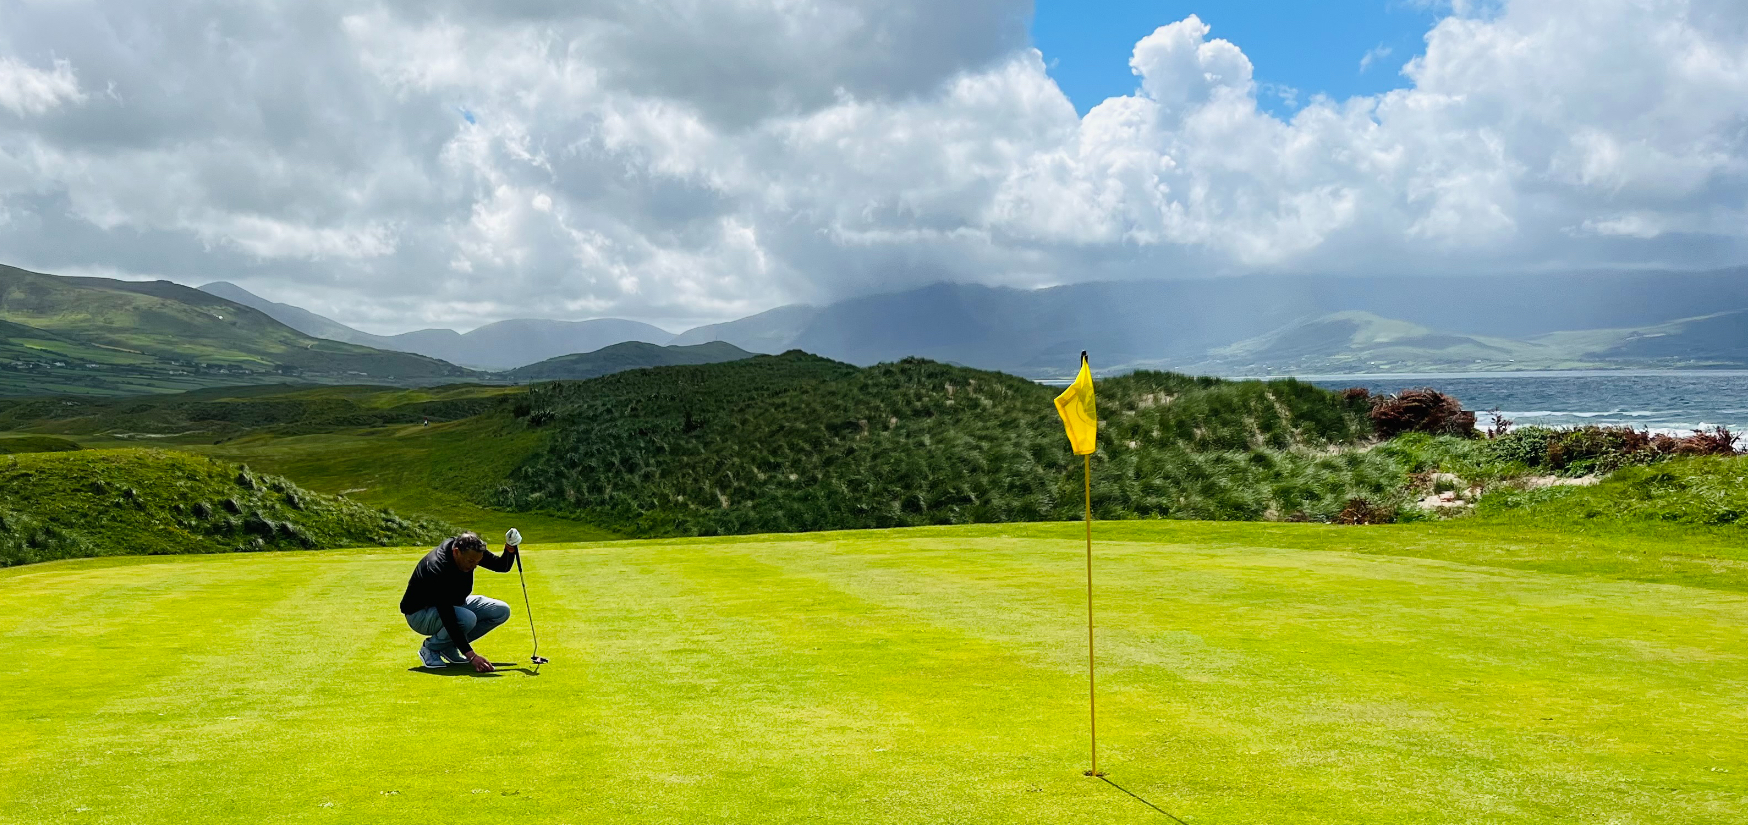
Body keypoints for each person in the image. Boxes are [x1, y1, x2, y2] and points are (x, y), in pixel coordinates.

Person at [400, 531, 518, 672]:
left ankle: (447, 647)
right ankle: (430, 649)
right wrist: (471, 655)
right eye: (471, 562)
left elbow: (501, 566)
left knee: (501, 611)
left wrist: (510, 548)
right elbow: (448, 616)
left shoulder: (471, 551)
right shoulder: (437, 567)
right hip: (420, 614)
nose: (474, 566)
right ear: (456, 552)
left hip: (454, 603)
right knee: (467, 619)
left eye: (478, 562)